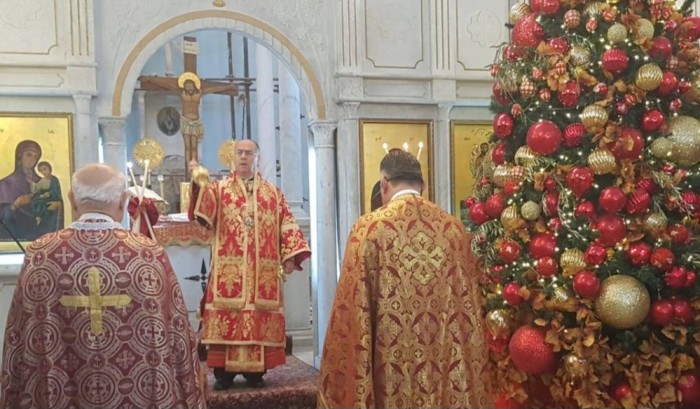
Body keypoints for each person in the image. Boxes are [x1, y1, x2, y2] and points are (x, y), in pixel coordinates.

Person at [0, 164, 204, 409]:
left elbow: (18, 336)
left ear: (72, 200)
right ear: (123, 201)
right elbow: (178, 334)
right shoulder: (147, 254)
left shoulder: (41, 254)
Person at [317, 150, 493, 409]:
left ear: (384, 183)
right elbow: (469, 314)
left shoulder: (369, 229)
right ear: (423, 185)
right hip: (446, 371)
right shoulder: (453, 230)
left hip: (391, 374)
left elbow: (351, 314)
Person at [188, 139, 311, 390]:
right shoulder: (219, 189)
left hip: (262, 273)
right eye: (240, 153)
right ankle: (223, 373)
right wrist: (199, 183)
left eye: (249, 153)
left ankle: (255, 373)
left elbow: (287, 223)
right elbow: (203, 216)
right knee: (228, 318)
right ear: (233, 157)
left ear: (257, 158)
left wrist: (289, 255)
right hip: (229, 272)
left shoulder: (272, 193)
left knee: (258, 319)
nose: (244, 157)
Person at [139, 72, 237, 171]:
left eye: (190, 85)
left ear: (194, 85)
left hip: (195, 122)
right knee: (187, 146)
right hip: (185, 121)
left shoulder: (200, 92)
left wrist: (228, 86)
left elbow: (214, 88)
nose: (189, 87)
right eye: (187, 85)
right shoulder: (181, 92)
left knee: (194, 146)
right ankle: (187, 168)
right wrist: (150, 79)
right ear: (184, 86)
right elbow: (165, 83)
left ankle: (193, 167)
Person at [0, 140, 63, 241]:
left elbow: (56, 203)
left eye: (35, 156)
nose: (32, 159)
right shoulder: (6, 183)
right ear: (19, 156)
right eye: (28, 155)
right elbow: (3, 217)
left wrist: (57, 206)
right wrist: (15, 205)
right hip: (17, 238)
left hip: (41, 238)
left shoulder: (44, 182)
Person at [30, 161, 62, 225]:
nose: (43, 172)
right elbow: (37, 188)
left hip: (51, 198)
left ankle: (40, 217)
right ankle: (38, 216)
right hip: (44, 197)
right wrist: (33, 186)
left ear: (49, 169)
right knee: (35, 201)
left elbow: (56, 192)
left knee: (41, 202)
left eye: (45, 169)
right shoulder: (43, 180)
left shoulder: (54, 180)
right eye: (41, 171)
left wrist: (49, 193)